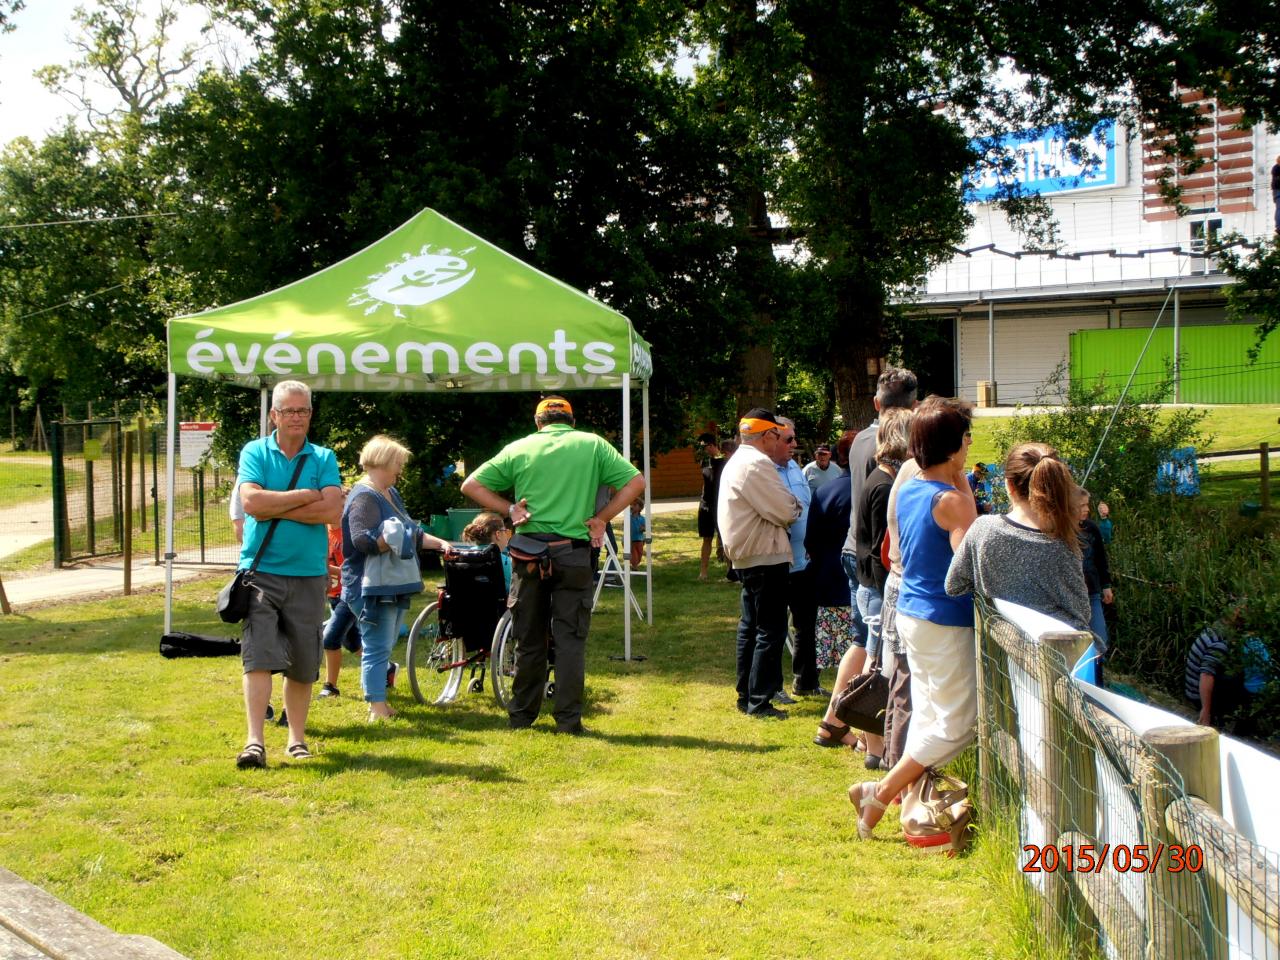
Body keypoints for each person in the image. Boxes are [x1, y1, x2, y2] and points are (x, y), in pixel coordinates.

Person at [461, 396, 644, 734]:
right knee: (570, 640)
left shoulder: (520, 447)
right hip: (573, 554)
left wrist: (510, 509)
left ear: (538, 422)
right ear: (570, 421)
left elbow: (470, 484)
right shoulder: (592, 445)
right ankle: (568, 721)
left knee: (529, 640)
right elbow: (636, 483)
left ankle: (521, 717)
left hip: (528, 555)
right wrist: (601, 519)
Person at [848, 398, 978, 839]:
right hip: (944, 621)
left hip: (911, 615)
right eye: (966, 439)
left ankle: (895, 796)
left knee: (926, 715)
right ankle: (881, 793)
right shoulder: (952, 503)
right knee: (959, 724)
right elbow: (970, 559)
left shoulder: (910, 490)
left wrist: (957, 474)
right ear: (957, 445)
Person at [233, 380, 343, 769]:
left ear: (311, 414)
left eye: (303, 410)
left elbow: (332, 512)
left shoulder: (324, 457)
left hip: (309, 574)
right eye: (289, 411)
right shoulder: (255, 452)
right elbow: (250, 502)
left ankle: (296, 739)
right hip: (260, 572)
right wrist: (305, 496)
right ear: (273, 415)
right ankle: (254, 742)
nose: (297, 417)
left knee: (301, 660)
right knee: (258, 657)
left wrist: (272, 505)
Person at [342, 435, 452, 721]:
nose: (400, 471)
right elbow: (360, 541)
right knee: (378, 644)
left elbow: (412, 532)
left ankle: (379, 701)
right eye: (398, 464)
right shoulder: (365, 496)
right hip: (370, 586)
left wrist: (440, 543)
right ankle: (377, 707)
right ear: (383, 462)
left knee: (384, 642)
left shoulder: (390, 493)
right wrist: (391, 540)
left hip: (390, 583)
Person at [946, 443, 1091, 632]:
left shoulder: (983, 529)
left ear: (1009, 485)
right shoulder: (1062, 544)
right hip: (1051, 654)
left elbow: (954, 585)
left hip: (998, 649)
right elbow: (1082, 613)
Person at [717, 407, 802, 719]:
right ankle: (759, 701)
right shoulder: (756, 464)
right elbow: (785, 510)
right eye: (778, 436)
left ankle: (747, 696)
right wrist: (795, 505)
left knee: (750, 628)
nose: (779, 443)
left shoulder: (737, 461)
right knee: (770, 629)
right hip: (765, 556)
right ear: (768, 435)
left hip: (749, 556)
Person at [841, 367, 919, 651]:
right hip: (878, 558)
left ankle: (844, 697)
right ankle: (860, 695)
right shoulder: (888, 450)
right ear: (915, 406)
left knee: (861, 643)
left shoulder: (859, 439)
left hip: (854, 547)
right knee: (877, 648)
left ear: (877, 403)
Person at [772, 416, 819, 700]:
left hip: (804, 560)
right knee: (774, 627)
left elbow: (808, 506)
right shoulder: (764, 471)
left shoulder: (794, 468)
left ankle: (806, 681)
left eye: (794, 438)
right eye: (789, 439)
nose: (794, 444)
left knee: (806, 624)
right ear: (773, 440)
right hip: (777, 561)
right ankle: (772, 687)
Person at [805, 431, 856, 682]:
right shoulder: (871, 488)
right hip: (860, 578)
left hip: (829, 573)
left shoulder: (825, 491)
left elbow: (810, 539)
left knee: (839, 642)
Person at [1185, 604, 1269, 734]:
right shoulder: (1221, 643)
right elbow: (1206, 675)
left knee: (1238, 674)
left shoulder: (1217, 626)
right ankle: (1240, 729)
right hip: (1197, 694)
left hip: (1193, 685)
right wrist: (1205, 710)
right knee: (1242, 685)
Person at [318, 517, 363, 699]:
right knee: (352, 642)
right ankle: (386, 668)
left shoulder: (349, 535)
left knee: (329, 638)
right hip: (333, 596)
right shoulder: (321, 532)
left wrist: (324, 568)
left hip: (349, 594)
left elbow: (351, 569)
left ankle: (331, 687)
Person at [1078, 489, 1114, 653]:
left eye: (1087, 505)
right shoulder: (1060, 530)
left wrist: (1106, 585)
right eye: (1082, 505)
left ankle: (1099, 673)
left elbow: (1101, 557)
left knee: (1100, 640)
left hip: (1092, 591)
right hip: (1073, 595)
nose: (1087, 509)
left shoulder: (1091, 528)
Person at [696, 434, 728, 581]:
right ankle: (703, 572)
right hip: (706, 505)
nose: (704, 450)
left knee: (725, 538)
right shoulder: (704, 461)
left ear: (712, 445)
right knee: (706, 538)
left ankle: (731, 571)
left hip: (720, 504)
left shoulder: (725, 462)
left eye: (705, 446)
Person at [462, 511, 513, 589]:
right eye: (505, 531)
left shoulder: (464, 556)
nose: (506, 534)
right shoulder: (504, 560)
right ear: (498, 534)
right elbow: (511, 589)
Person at [628, 499, 646, 567]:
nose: (632, 506)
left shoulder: (642, 518)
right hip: (631, 540)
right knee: (634, 554)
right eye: (631, 505)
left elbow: (644, 527)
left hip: (640, 540)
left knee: (640, 554)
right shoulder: (629, 518)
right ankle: (634, 566)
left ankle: (635, 564)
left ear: (640, 508)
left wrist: (643, 529)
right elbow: (624, 525)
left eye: (635, 505)